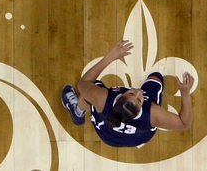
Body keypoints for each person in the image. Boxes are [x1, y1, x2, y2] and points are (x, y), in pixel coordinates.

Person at [61, 40, 194, 147]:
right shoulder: (153, 114)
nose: (139, 92)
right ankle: (77, 113)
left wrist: (111, 57)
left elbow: (83, 84)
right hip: (138, 138)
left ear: (119, 96)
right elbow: (184, 124)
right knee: (156, 77)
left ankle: (77, 112)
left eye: (133, 94)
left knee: (90, 91)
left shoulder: (102, 99)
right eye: (139, 98)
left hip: (108, 135)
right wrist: (185, 93)